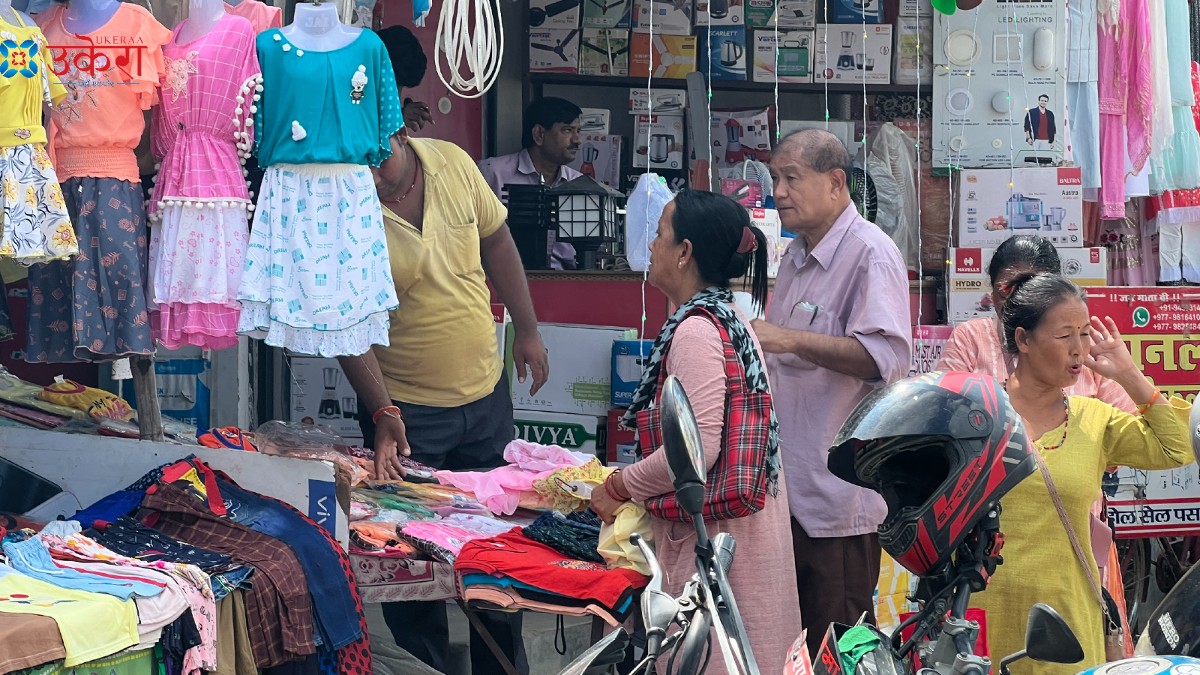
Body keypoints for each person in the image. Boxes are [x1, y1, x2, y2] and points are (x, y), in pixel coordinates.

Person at [338, 26, 550, 675]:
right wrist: (382, 413)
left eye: (379, 153)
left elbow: (500, 245)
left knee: (496, 571)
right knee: (411, 576)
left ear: (400, 130)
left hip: (486, 405)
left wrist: (529, 326)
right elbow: (346, 324)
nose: (373, 169)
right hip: (408, 421)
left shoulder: (454, 165)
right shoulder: (347, 205)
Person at [589, 189, 803, 675]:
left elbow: (695, 452)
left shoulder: (697, 332)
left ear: (684, 252)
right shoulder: (730, 321)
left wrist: (617, 486)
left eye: (660, 235)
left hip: (717, 545)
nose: (651, 248)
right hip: (742, 535)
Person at [972, 272, 1193, 675]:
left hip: (1069, 626)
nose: (1079, 350)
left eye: (1085, 334)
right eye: (1064, 336)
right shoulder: (977, 418)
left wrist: (1128, 373)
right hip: (983, 621)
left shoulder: (1095, 422)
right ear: (1023, 339)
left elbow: (1176, 448)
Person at [751, 128, 911, 657]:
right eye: (775, 178)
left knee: (838, 650)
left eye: (791, 178)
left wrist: (789, 338)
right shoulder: (796, 256)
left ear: (836, 182)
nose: (779, 192)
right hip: (785, 496)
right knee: (791, 650)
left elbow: (881, 358)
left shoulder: (870, 254)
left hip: (836, 500)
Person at [935, 234, 1137, 651]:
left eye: (1035, 285)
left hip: (1072, 541)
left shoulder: (1082, 346)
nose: (1022, 295)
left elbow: (1128, 434)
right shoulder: (972, 338)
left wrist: (1083, 433)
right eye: (1011, 286)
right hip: (990, 546)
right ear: (992, 294)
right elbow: (944, 427)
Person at [478, 96, 583, 269]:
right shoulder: (492, 173)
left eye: (578, 131)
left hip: (566, 281)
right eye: (567, 130)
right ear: (539, 134)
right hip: (500, 280)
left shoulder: (578, 184)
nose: (577, 139)